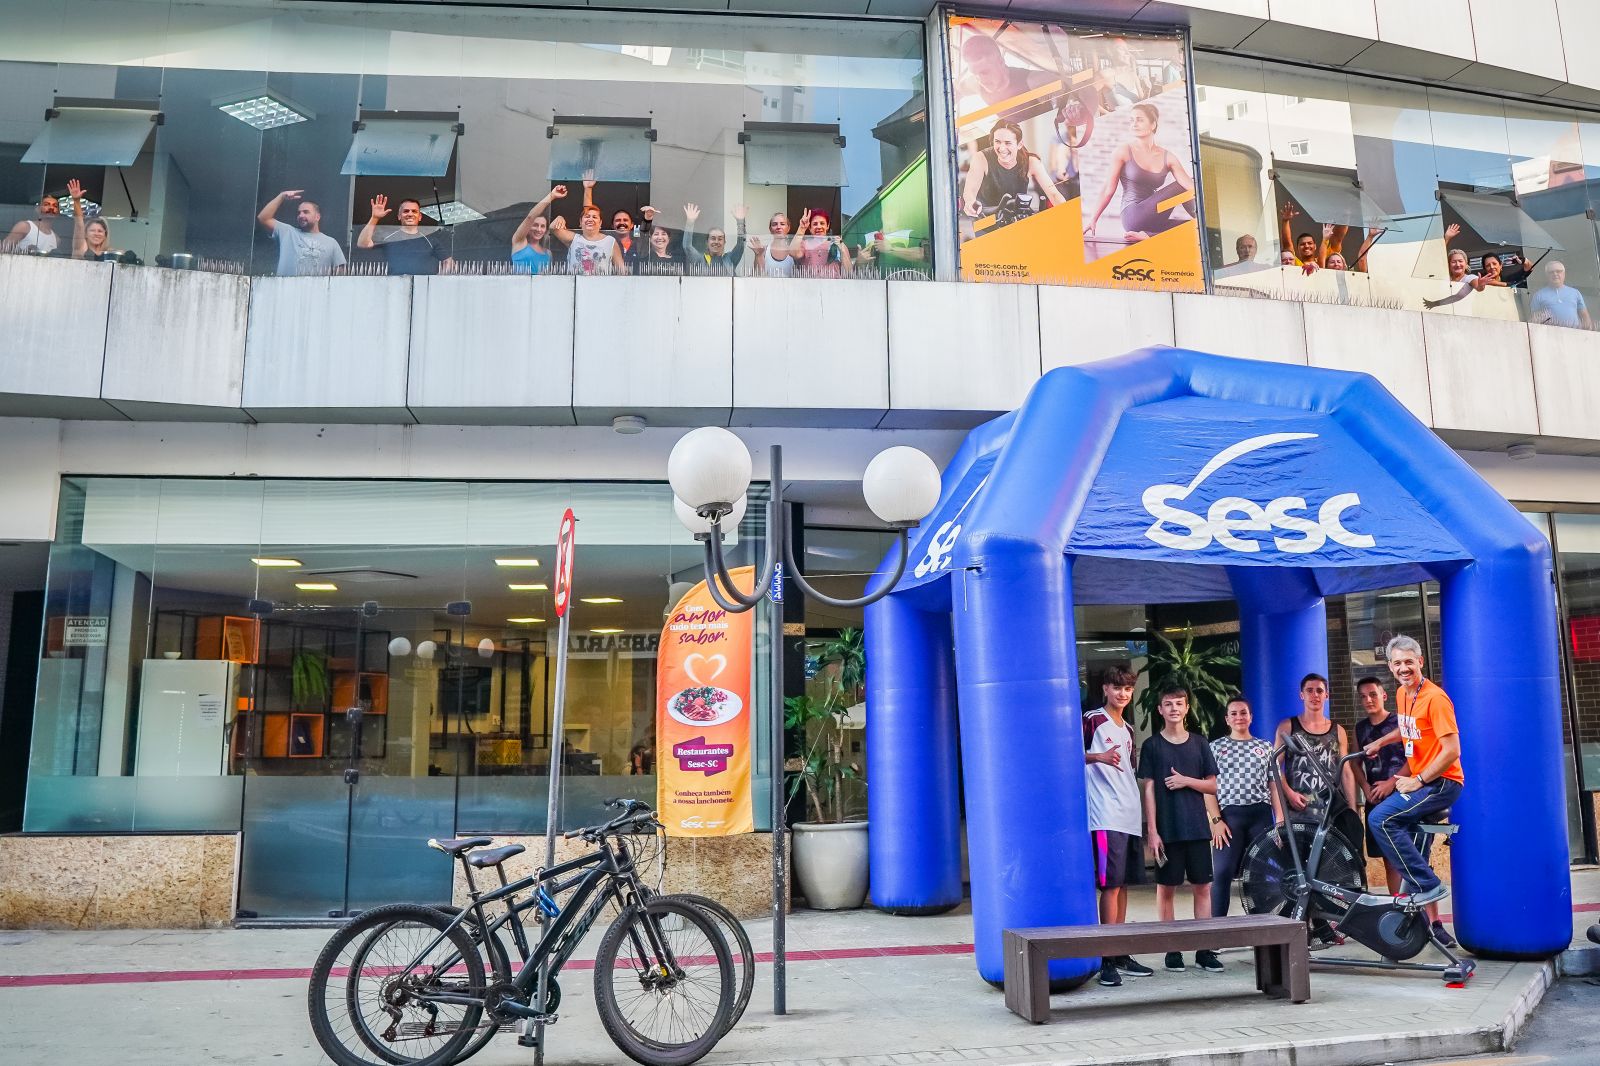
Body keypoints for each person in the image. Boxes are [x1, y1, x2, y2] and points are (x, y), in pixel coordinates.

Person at [1363, 635, 1465, 908]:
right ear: (1390, 666)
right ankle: (1422, 915)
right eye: (1397, 663)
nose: (1403, 668)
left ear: (1420, 661)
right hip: (1423, 780)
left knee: (1380, 819)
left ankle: (1427, 885)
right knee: (1401, 829)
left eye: (1409, 662)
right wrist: (1381, 742)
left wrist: (1417, 780)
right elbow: (1409, 728)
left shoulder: (1435, 699)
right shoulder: (1402, 693)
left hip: (1442, 782)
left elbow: (1452, 750)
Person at [1352, 676, 1449, 944]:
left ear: (1384, 695)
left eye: (1373, 694)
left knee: (1417, 857)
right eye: (1363, 696)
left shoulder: (1400, 721)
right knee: (1391, 861)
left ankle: (1435, 924)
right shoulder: (1360, 728)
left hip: (1406, 795)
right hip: (1376, 799)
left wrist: (1390, 783)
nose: (1368, 700)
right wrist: (1366, 788)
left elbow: (1416, 757)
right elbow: (1355, 762)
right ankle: (1402, 914)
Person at [1138, 684, 1227, 974]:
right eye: (1168, 704)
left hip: (1197, 828)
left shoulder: (1200, 743)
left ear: (1187, 708)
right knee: (1166, 889)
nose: (1174, 708)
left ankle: (1204, 950)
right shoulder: (1152, 746)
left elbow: (1212, 786)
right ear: (1160, 709)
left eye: (1179, 703)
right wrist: (1152, 831)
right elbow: (1149, 790)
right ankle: (1172, 948)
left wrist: (1186, 781)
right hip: (1167, 830)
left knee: (1203, 887)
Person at [1081, 662, 1153, 987]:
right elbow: (1067, 753)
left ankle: (1120, 949)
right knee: (1110, 885)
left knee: (1123, 885)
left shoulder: (1128, 729)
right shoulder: (1092, 719)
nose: (1123, 693)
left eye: (1127, 688)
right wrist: (1097, 757)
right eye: (1117, 687)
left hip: (1129, 813)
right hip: (1105, 813)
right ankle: (1106, 956)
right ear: (1105, 689)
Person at [1274, 673, 1362, 861]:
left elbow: (1346, 771)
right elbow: (1273, 765)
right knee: (1298, 866)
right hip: (1298, 811)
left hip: (1330, 812)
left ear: (1326, 695)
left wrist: (1352, 809)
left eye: (1319, 691)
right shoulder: (1288, 726)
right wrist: (1288, 793)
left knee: (1332, 867)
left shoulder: (1338, 730)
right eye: (1310, 690)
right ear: (1302, 695)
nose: (1315, 695)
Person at [1209, 695, 1280, 920]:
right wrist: (1216, 821)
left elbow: (1274, 785)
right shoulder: (1215, 747)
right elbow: (1207, 788)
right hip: (1229, 817)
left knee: (1261, 874)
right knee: (1222, 872)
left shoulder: (1265, 747)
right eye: (1234, 713)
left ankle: (1260, 926)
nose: (1239, 717)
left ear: (1251, 717)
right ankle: (1217, 929)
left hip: (1260, 814)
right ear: (1227, 719)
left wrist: (1279, 820)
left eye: (1243, 713)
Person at [1083, 103, 1195, 243]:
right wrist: (1093, 218)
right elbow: (1108, 189)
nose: (1134, 124)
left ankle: (1150, 235)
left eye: (1140, 120)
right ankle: (1203, 218)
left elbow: (1192, 188)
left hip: (1156, 216)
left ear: (1153, 125)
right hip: (1133, 215)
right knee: (1182, 186)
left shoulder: (1168, 157)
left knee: (1194, 227)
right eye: (1132, 120)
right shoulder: (1123, 151)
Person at [962, 120, 1063, 228]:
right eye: (997, 142)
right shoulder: (981, 158)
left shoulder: (1031, 161)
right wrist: (970, 202)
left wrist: (1067, 214)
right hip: (986, 218)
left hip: (1016, 218)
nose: (1002, 148)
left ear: (1019, 144)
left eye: (1008, 143)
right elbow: (970, 191)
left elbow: (1054, 194)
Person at [258, 189, 347, 277]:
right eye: (299, 213)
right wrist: (281, 197)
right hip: (286, 286)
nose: (301, 215)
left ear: (317, 217)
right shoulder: (287, 232)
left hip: (318, 287)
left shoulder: (331, 242)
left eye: (306, 212)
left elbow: (341, 277)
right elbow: (263, 218)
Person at [357, 196, 452, 276]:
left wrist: (437, 280)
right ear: (399, 216)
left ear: (420, 217)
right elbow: (363, 244)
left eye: (414, 211)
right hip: (393, 287)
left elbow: (449, 262)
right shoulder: (388, 237)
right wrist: (375, 218)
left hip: (422, 288)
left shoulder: (430, 240)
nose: (410, 214)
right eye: (406, 211)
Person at [957, 32, 1051, 110]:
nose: (981, 80)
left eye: (984, 72)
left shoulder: (1033, 81)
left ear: (1000, 61)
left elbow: (1059, 81)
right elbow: (956, 91)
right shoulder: (976, 84)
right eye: (975, 74)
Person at [550, 204, 625, 276]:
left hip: (601, 284)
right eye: (587, 216)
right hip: (576, 284)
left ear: (600, 223)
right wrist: (560, 218)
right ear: (580, 222)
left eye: (594, 217)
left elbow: (621, 271)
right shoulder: (573, 239)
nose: (590, 219)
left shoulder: (610, 241)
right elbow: (553, 227)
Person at [510, 184, 567, 274]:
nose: (539, 229)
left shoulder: (548, 253)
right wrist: (551, 196)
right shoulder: (519, 241)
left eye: (542, 226)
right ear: (528, 227)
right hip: (520, 282)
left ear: (545, 230)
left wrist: (560, 217)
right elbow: (530, 217)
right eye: (535, 225)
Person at [683, 203, 746, 274]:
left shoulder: (730, 258)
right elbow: (687, 247)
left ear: (724, 242)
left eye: (720, 239)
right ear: (707, 242)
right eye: (713, 238)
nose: (716, 241)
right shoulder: (700, 259)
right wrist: (690, 222)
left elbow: (740, 245)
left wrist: (740, 222)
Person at [789, 209, 851, 278]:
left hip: (834, 284)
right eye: (815, 224)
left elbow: (849, 272)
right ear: (810, 228)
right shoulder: (805, 244)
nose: (818, 227)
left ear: (827, 226)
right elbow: (793, 253)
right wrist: (801, 228)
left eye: (822, 223)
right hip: (811, 284)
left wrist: (842, 250)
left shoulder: (837, 243)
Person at [1530, 260, 1591, 328]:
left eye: (1558, 271)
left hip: (1574, 333)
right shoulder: (1538, 295)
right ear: (1547, 275)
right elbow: (1534, 320)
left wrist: (1588, 331)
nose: (1555, 274)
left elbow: (1585, 317)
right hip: (1551, 333)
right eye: (1551, 272)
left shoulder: (1575, 293)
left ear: (1564, 274)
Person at [4, 190, 65, 254]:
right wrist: (24, 252)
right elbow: (3, 250)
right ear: (37, 209)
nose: (51, 208)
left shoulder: (56, 239)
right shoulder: (25, 227)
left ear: (58, 213)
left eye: (55, 206)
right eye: (46, 204)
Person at [749, 212, 796, 277]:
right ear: (770, 229)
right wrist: (758, 255)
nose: (778, 227)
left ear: (788, 228)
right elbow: (757, 276)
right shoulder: (764, 250)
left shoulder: (794, 252)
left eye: (782, 224)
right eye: (774, 224)